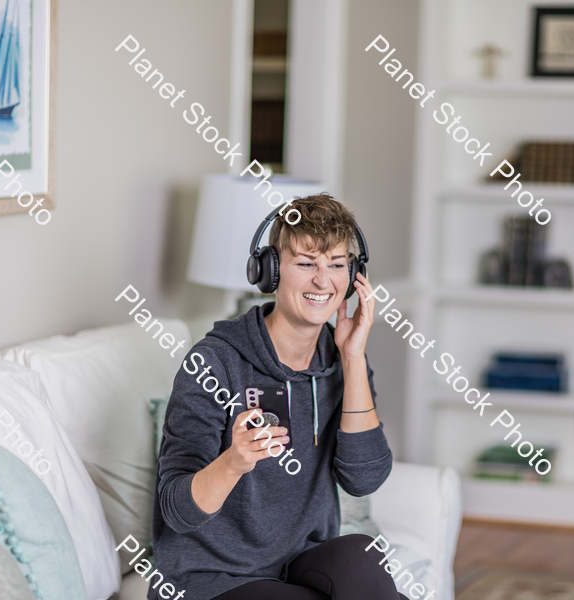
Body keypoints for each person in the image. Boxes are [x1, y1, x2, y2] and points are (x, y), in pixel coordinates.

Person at [149, 193, 404, 600]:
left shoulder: (343, 358)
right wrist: (233, 462)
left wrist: (352, 357)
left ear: (354, 276)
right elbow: (177, 512)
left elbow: (364, 478)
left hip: (300, 561)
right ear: (270, 272)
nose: (323, 281)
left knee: (361, 555)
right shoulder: (214, 363)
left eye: (337, 265)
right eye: (306, 264)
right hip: (212, 577)